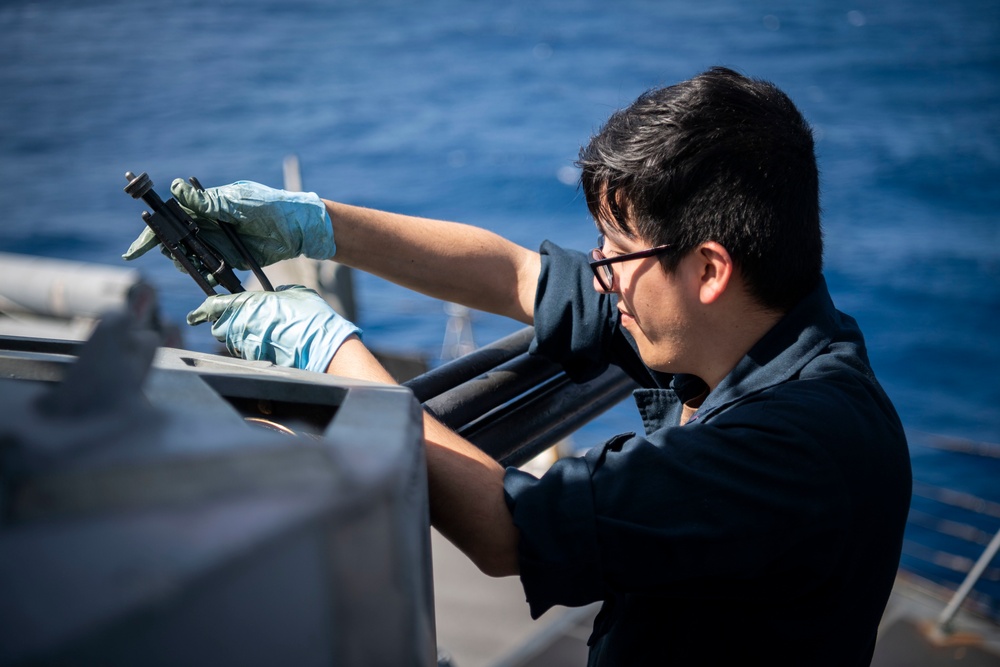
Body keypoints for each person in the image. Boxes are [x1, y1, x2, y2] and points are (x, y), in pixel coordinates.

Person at [124, 67, 912, 665]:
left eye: (617, 249)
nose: (599, 270)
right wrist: (310, 226)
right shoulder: (745, 330)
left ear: (709, 271)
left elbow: (512, 530)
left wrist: (327, 351)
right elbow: (515, 276)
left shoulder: (799, 446)